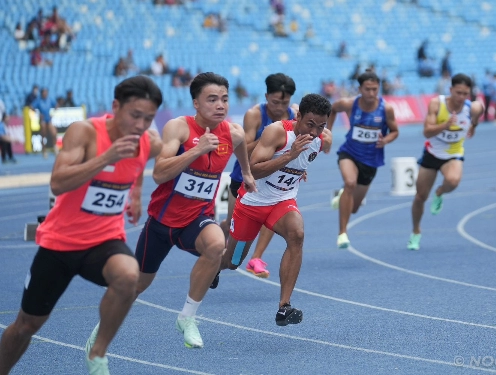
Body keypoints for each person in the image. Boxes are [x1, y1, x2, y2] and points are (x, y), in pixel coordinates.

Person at [0, 76, 164, 375]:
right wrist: (105, 158)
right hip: (60, 243)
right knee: (27, 325)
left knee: (129, 276)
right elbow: (58, 182)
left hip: (103, 240)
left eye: (149, 119)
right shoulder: (85, 132)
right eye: (135, 115)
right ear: (115, 107)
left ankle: (97, 352)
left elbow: (139, 161)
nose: (141, 125)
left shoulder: (150, 143)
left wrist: (137, 191)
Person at [87, 72, 256, 350]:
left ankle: (187, 317)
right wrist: (195, 151)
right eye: (212, 99)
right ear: (196, 104)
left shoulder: (233, 132)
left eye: (224, 99)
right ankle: (102, 328)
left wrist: (247, 174)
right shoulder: (179, 128)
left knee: (216, 245)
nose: (220, 105)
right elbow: (159, 173)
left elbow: (240, 148)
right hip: (161, 224)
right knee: (136, 286)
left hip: (197, 219)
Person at [221, 93, 332, 326]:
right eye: (309, 124)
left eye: (320, 126)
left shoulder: (322, 140)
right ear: (298, 116)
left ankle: (284, 307)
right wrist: (290, 156)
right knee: (233, 262)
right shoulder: (277, 132)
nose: (313, 132)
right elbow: (253, 170)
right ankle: (213, 266)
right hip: (252, 204)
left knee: (297, 234)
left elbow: (311, 154)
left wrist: (299, 168)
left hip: (282, 201)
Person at [221, 73, 298, 279]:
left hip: (273, 177)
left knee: (273, 213)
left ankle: (257, 257)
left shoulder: (294, 115)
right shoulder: (254, 114)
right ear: (266, 96)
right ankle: (216, 251)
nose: (280, 107)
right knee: (230, 226)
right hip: (244, 177)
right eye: (275, 102)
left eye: (285, 102)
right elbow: (242, 149)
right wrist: (270, 136)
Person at [407, 73, 484, 250]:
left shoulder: (473, 107)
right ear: (450, 90)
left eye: (466, 94)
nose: (462, 97)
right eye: (458, 93)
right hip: (432, 153)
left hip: (453, 153)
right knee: (420, 197)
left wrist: (474, 125)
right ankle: (416, 232)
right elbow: (426, 132)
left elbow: (479, 112)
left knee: (453, 181)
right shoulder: (437, 104)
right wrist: (445, 125)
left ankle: (440, 192)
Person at [328, 71, 398, 248]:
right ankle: (342, 234)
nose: (372, 93)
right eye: (368, 89)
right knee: (350, 183)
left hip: (371, 160)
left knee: (353, 208)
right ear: (359, 89)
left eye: (375, 89)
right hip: (349, 153)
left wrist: (386, 140)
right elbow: (332, 109)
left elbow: (395, 131)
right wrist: (326, 134)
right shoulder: (350, 104)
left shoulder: (386, 109)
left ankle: (342, 197)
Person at [31, 87, 57, 158]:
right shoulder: (38, 100)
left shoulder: (50, 99)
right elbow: (32, 107)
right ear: (41, 93)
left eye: (46, 92)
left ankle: (54, 147)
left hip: (49, 119)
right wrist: (38, 114)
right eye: (44, 92)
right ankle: (44, 150)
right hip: (43, 120)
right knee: (43, 134)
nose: (45, 94)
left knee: (53, 133)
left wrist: (53, 113)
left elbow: (56, 106)